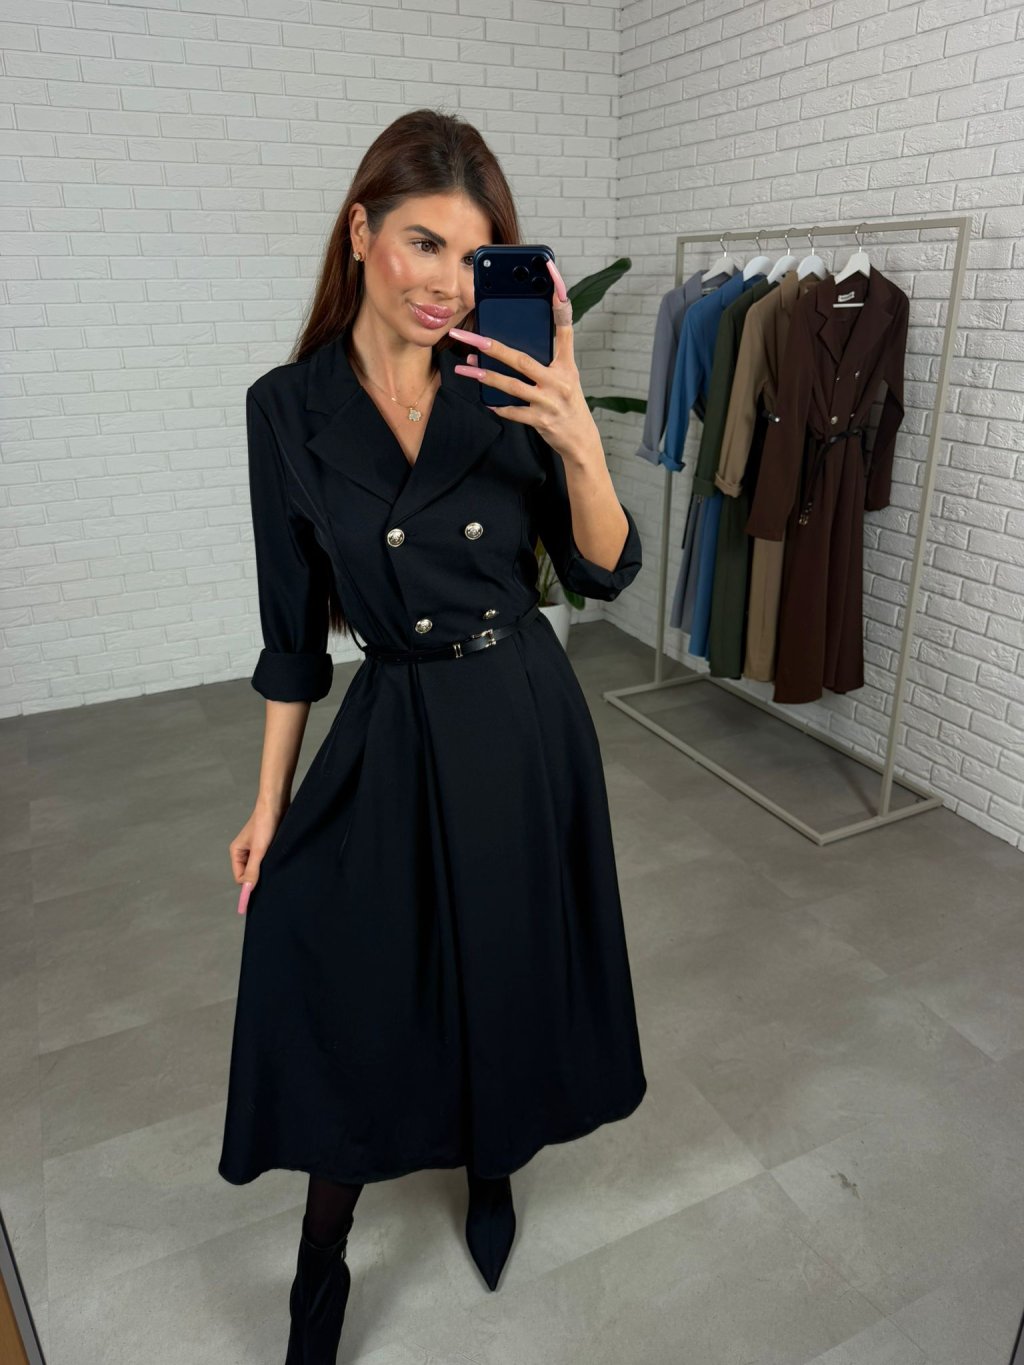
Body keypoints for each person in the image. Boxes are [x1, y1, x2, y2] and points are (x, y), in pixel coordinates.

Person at [218, 108, 648, 1362]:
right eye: (423, 242)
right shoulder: (285, 410)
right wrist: (266, 804)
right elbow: (291, 636)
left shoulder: (504, 383)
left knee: (503, 958)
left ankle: (492, 1167)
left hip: (516, 714)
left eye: (473, 255)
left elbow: (601, 569)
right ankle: (320, 1264)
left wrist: (576, 437)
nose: (448, 283)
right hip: (396, 719)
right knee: (341, 981)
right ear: (361, 232)